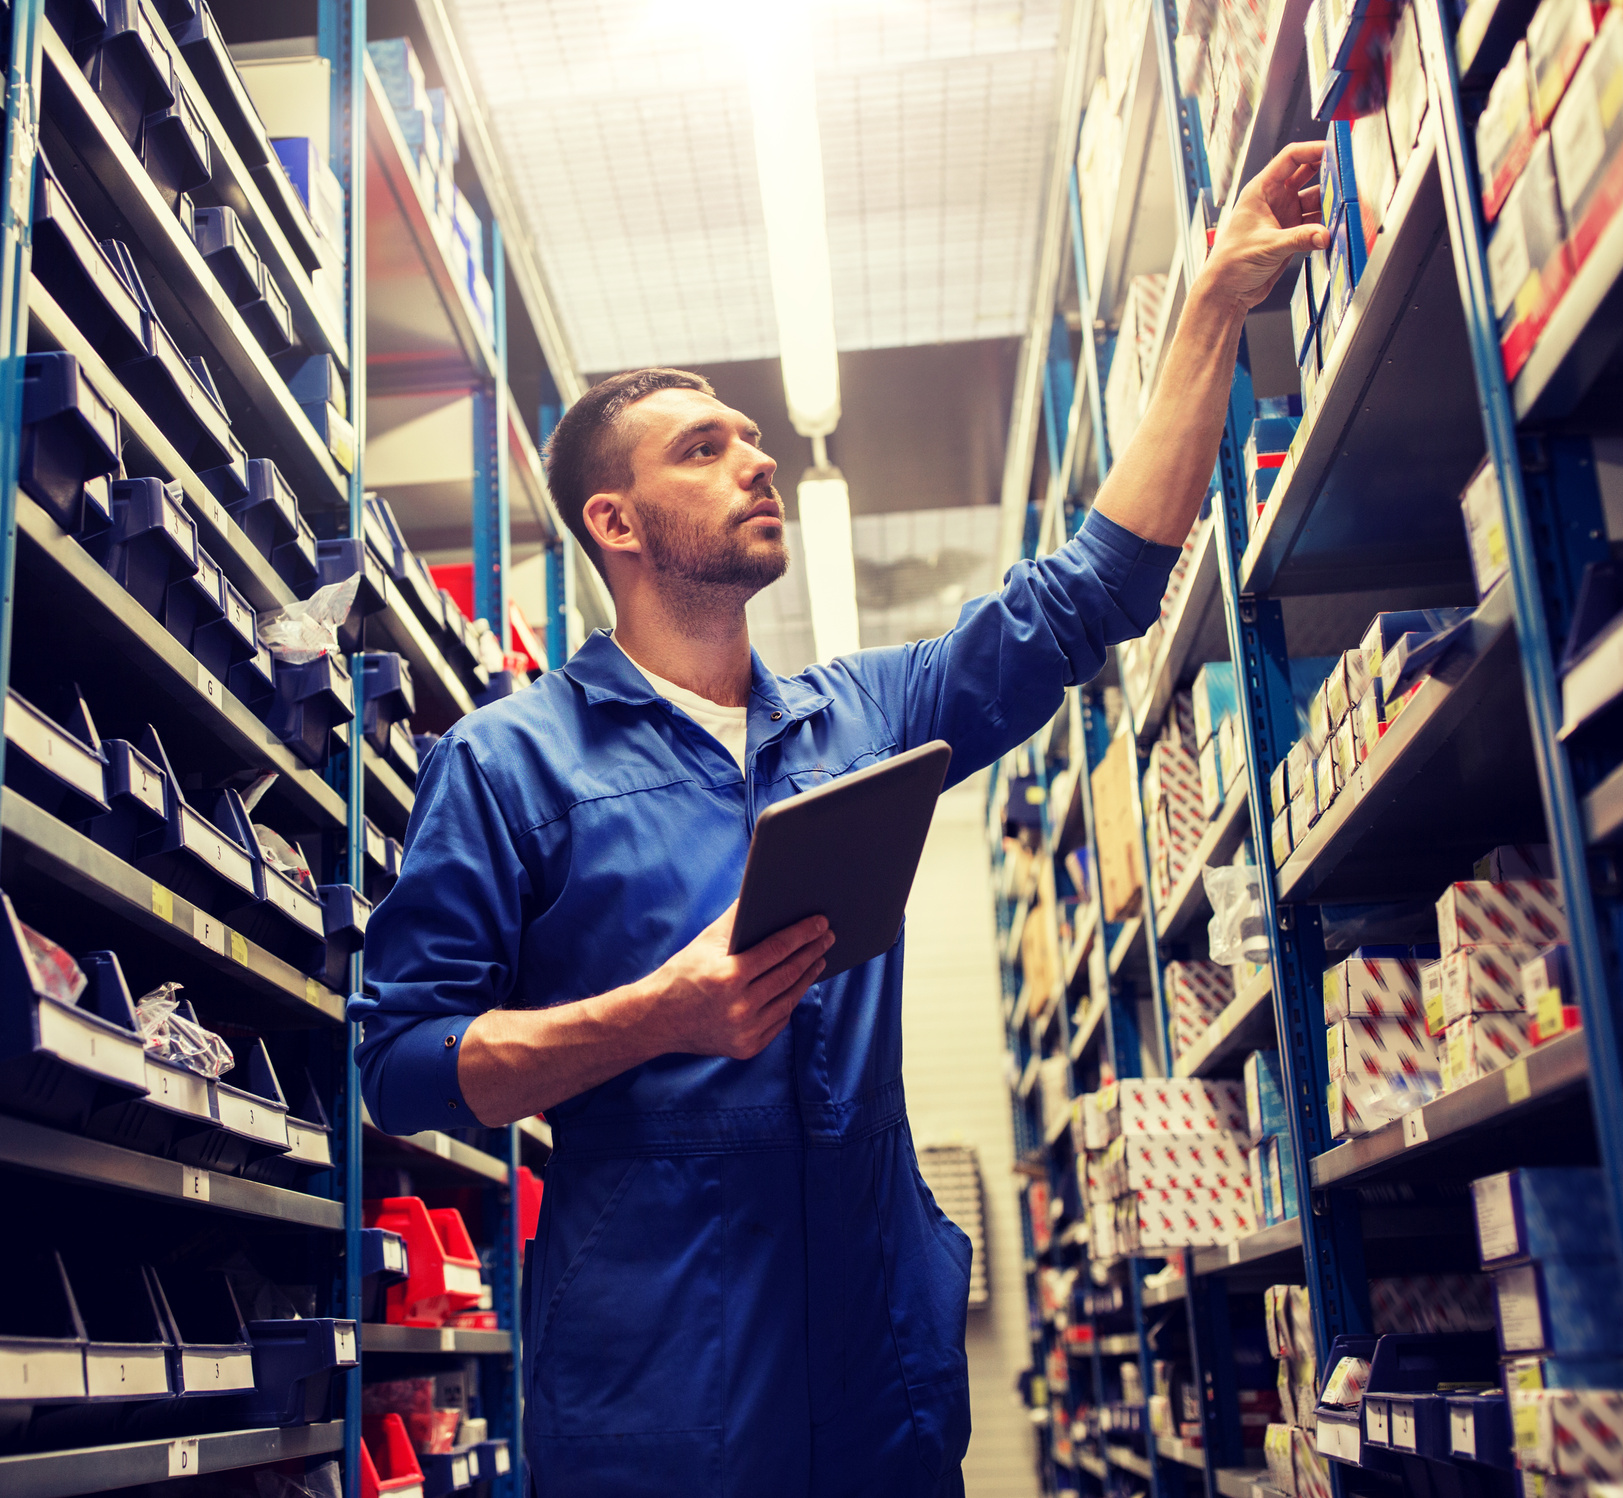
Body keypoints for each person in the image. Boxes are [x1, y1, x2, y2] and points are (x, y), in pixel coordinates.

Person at [353, 141, 1328, 1498]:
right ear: (615, 521)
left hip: (880, 1380)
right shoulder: (507, 762)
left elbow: (1096, 589)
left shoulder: (864, 714)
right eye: (708, 448)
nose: (757, 461)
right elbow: (399, 1059)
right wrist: (653, 1014)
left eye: (755, 437)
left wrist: (1213, 302)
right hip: (661, 1402)